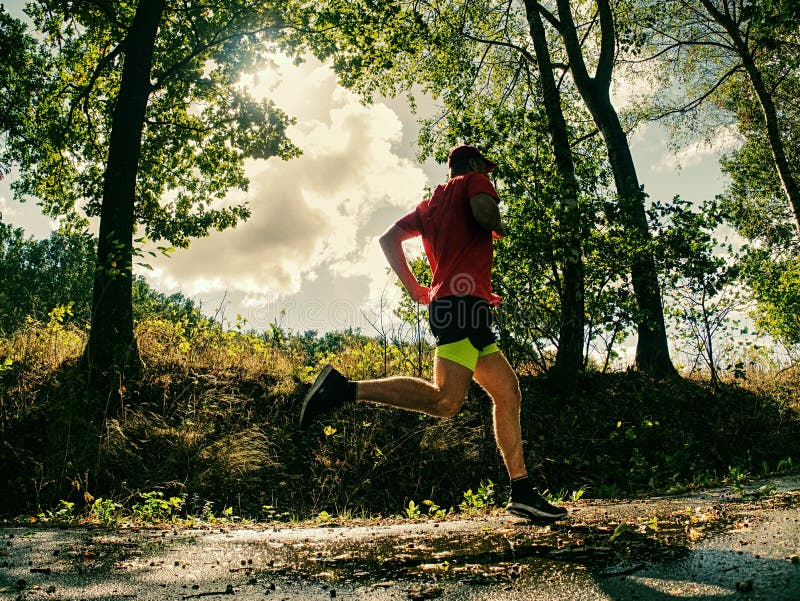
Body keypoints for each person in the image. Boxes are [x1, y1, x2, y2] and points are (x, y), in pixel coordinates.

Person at [299, 144, 567, 521]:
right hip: (462, 305)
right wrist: (497, 224)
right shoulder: (474, 181)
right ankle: (343, 389)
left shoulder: (430, 204)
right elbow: (484, 211)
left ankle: (521, 492)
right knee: (446, 402)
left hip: (459, 305)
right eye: (485, 171)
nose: (489, 179)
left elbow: (388, 239)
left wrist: (414, 288)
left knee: (508, 392)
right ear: (473, 166)